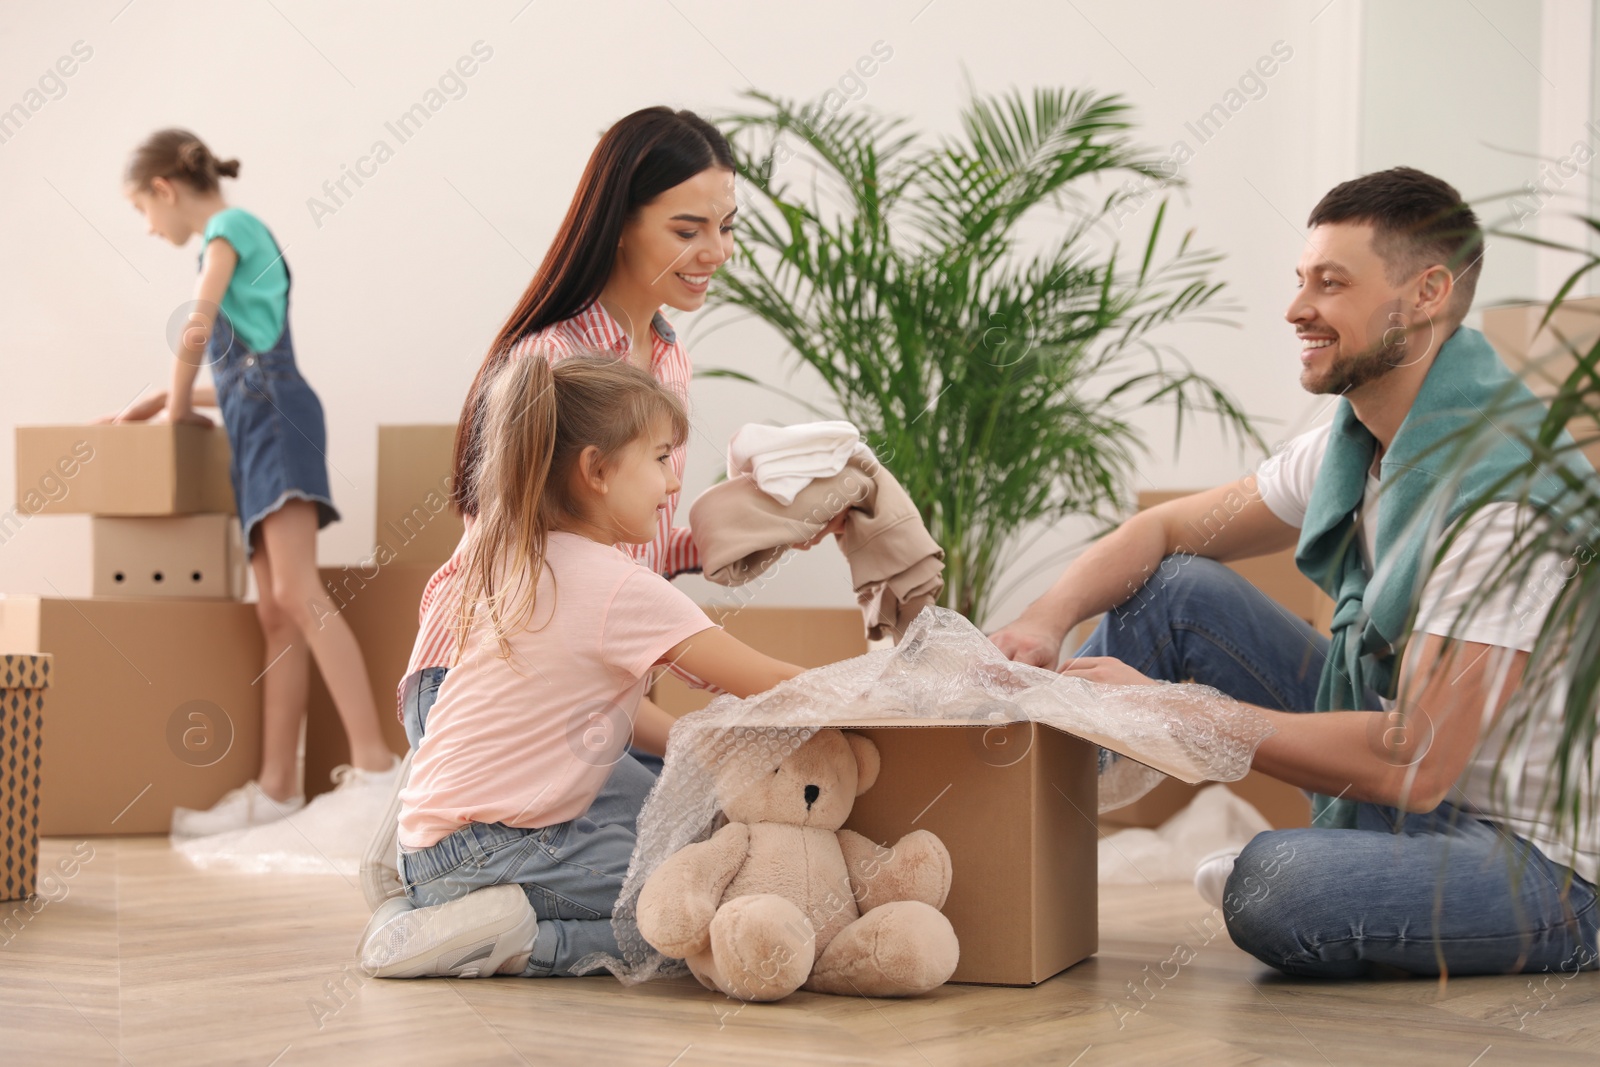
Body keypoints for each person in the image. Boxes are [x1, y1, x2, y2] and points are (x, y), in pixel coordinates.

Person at [990, 167, 1598, 979]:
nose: (1296, 308)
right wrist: (1045, 616)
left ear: (1427, 293)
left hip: (1547, 865)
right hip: (1423, 802)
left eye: (1331, 283)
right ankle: (994, 852)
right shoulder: (1358, 444)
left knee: (1277, 885)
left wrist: (1183, 713)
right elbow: (1166, 528)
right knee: (1175, 590)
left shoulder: (1504, 487)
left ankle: (1315, 869)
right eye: (1301, 279)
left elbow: (1415, 759)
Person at [358, 355, 805, 979]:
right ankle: (516, 937)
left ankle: (420, 916)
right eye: (659, 459)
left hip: (436, 849)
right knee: (690, 898)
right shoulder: (617, 587)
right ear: (596, 470)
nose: (673, 484)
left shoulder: (516, 559)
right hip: (497, 852)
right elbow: (769, 682)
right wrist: (895, 687)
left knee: (672, 862)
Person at [108, 130, 399, 835]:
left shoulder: (229, 227)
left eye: (143, 211)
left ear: (165, 190)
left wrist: (177, 402)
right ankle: (275, 788)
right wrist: (166, 400)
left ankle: (377, 766)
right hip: (261, 418)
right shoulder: (228, 237)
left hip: (276, 423)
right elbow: (245, 376)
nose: (149, 229)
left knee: (298, 592)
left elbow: (198, 323)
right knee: (274, 608)